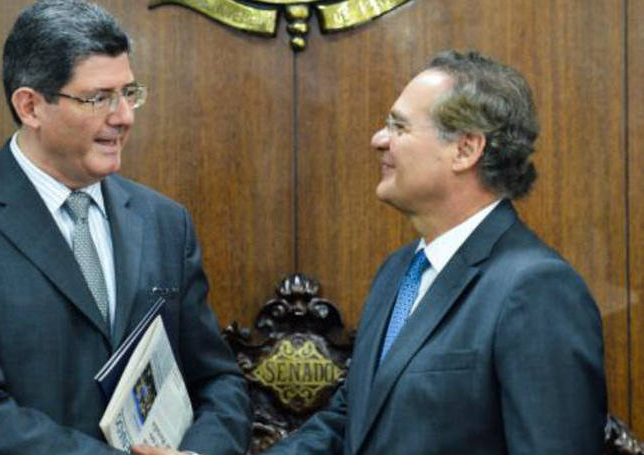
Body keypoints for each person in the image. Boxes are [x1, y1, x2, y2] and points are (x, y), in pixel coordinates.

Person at [0, 1, 250, 454]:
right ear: (31, 106)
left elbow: (216, 380)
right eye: (99, 98)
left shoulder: (164, 221)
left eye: (129, 92)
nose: (124, 116)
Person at [257, 50, 607, 454]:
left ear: (465, 149)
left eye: (399, 127)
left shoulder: (537, 289)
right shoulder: (398, 271)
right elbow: (351, 421)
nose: (379, 140)